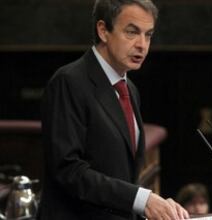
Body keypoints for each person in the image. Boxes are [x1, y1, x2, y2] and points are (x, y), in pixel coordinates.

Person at [38, 0, 189, 219]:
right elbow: (68, 171)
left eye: (148, 35)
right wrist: (141, 199)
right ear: (103, 30)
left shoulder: (130, 89)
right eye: (131, 32)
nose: (142, 45)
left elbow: (121, 174)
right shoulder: (69, 82)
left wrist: (153, 204)